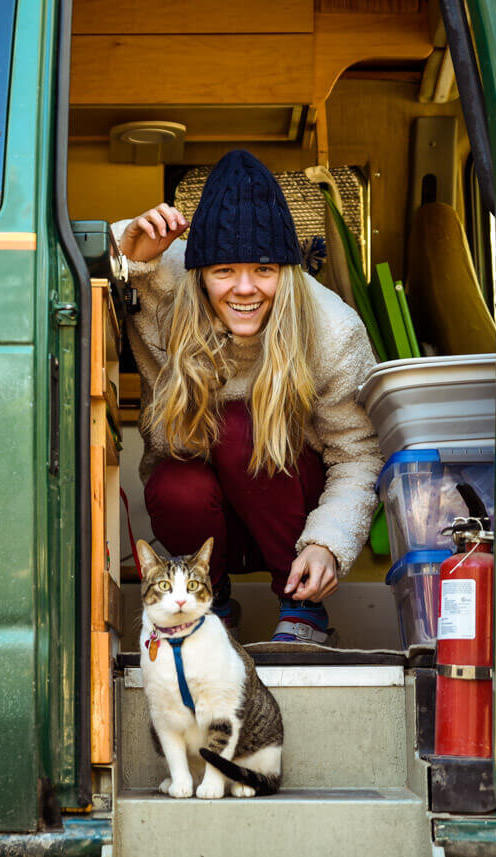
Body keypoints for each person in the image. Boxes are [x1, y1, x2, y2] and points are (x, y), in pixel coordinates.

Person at [114, 149, 382, 644]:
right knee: (177, 481)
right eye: (223, 271)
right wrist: (127, 255)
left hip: (289, 521)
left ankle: (301, 611)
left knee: (243, 426)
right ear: (198, 274)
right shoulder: (164, 284)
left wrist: (329, 543)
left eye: (264, 269)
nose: (245, 289)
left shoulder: (331, 329)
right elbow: (72, 265)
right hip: (203, 526)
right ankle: (210, 608)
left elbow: (360, 454)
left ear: (288, 268)